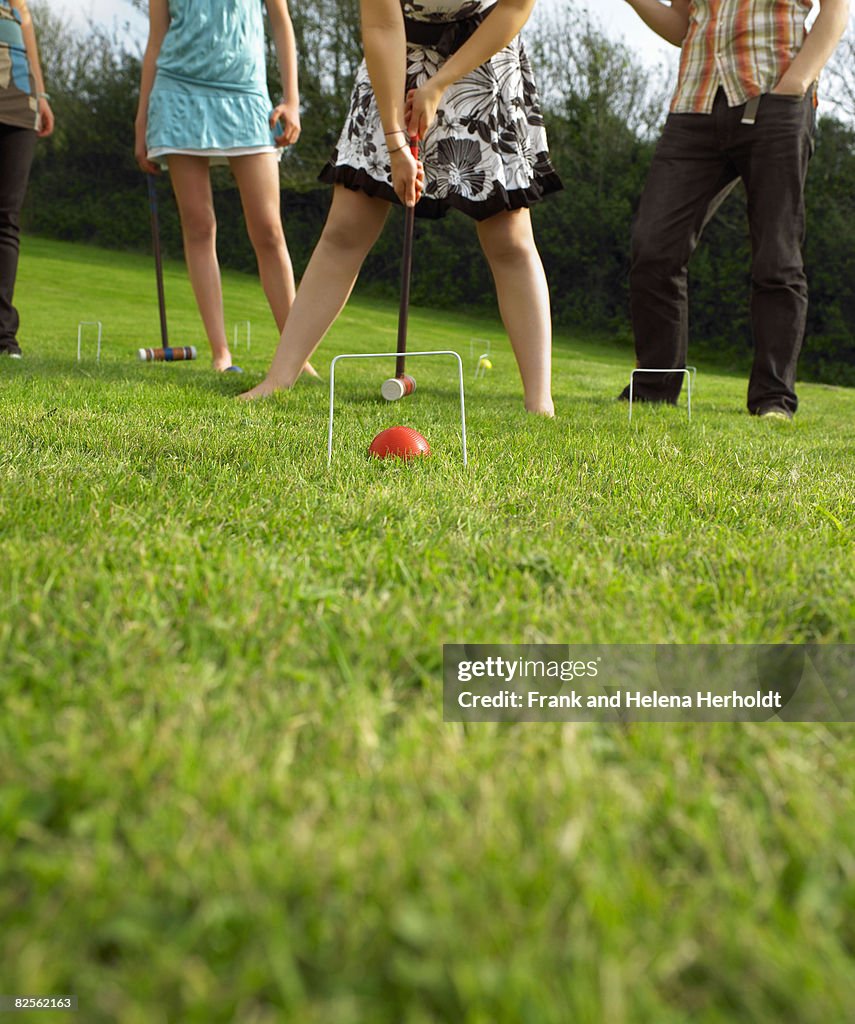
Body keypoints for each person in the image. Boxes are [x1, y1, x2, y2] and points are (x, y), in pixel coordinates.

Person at [240, 0, 562, 415]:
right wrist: (395, 142)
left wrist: (438, 84)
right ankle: (279, 378)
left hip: (482, 61)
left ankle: (540, 403)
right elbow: (380, 27)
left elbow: (516, 6)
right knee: (346, 228)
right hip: (393, 62)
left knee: (509, 239)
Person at [619, 0, 850, 420]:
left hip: (775, 98)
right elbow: (682, 26)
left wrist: (796, 82)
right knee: (654, 248)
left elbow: (835, 11)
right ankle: (654, 388)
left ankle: (773, 399)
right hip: (695, 104)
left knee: (776, 259)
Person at [135, 0, 315, 375]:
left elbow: (282, 23)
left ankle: (297, 360)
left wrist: (292, 100)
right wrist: (142, 123)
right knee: (199, 226)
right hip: (177, 95)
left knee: (269, 230)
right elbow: (156, 40)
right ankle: (221, 355)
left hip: (246, 95)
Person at [0, 0, 54, 358]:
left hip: (19, 99)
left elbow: (28, 34)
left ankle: (3, 337)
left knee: (6, 219)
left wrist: (42, 94)